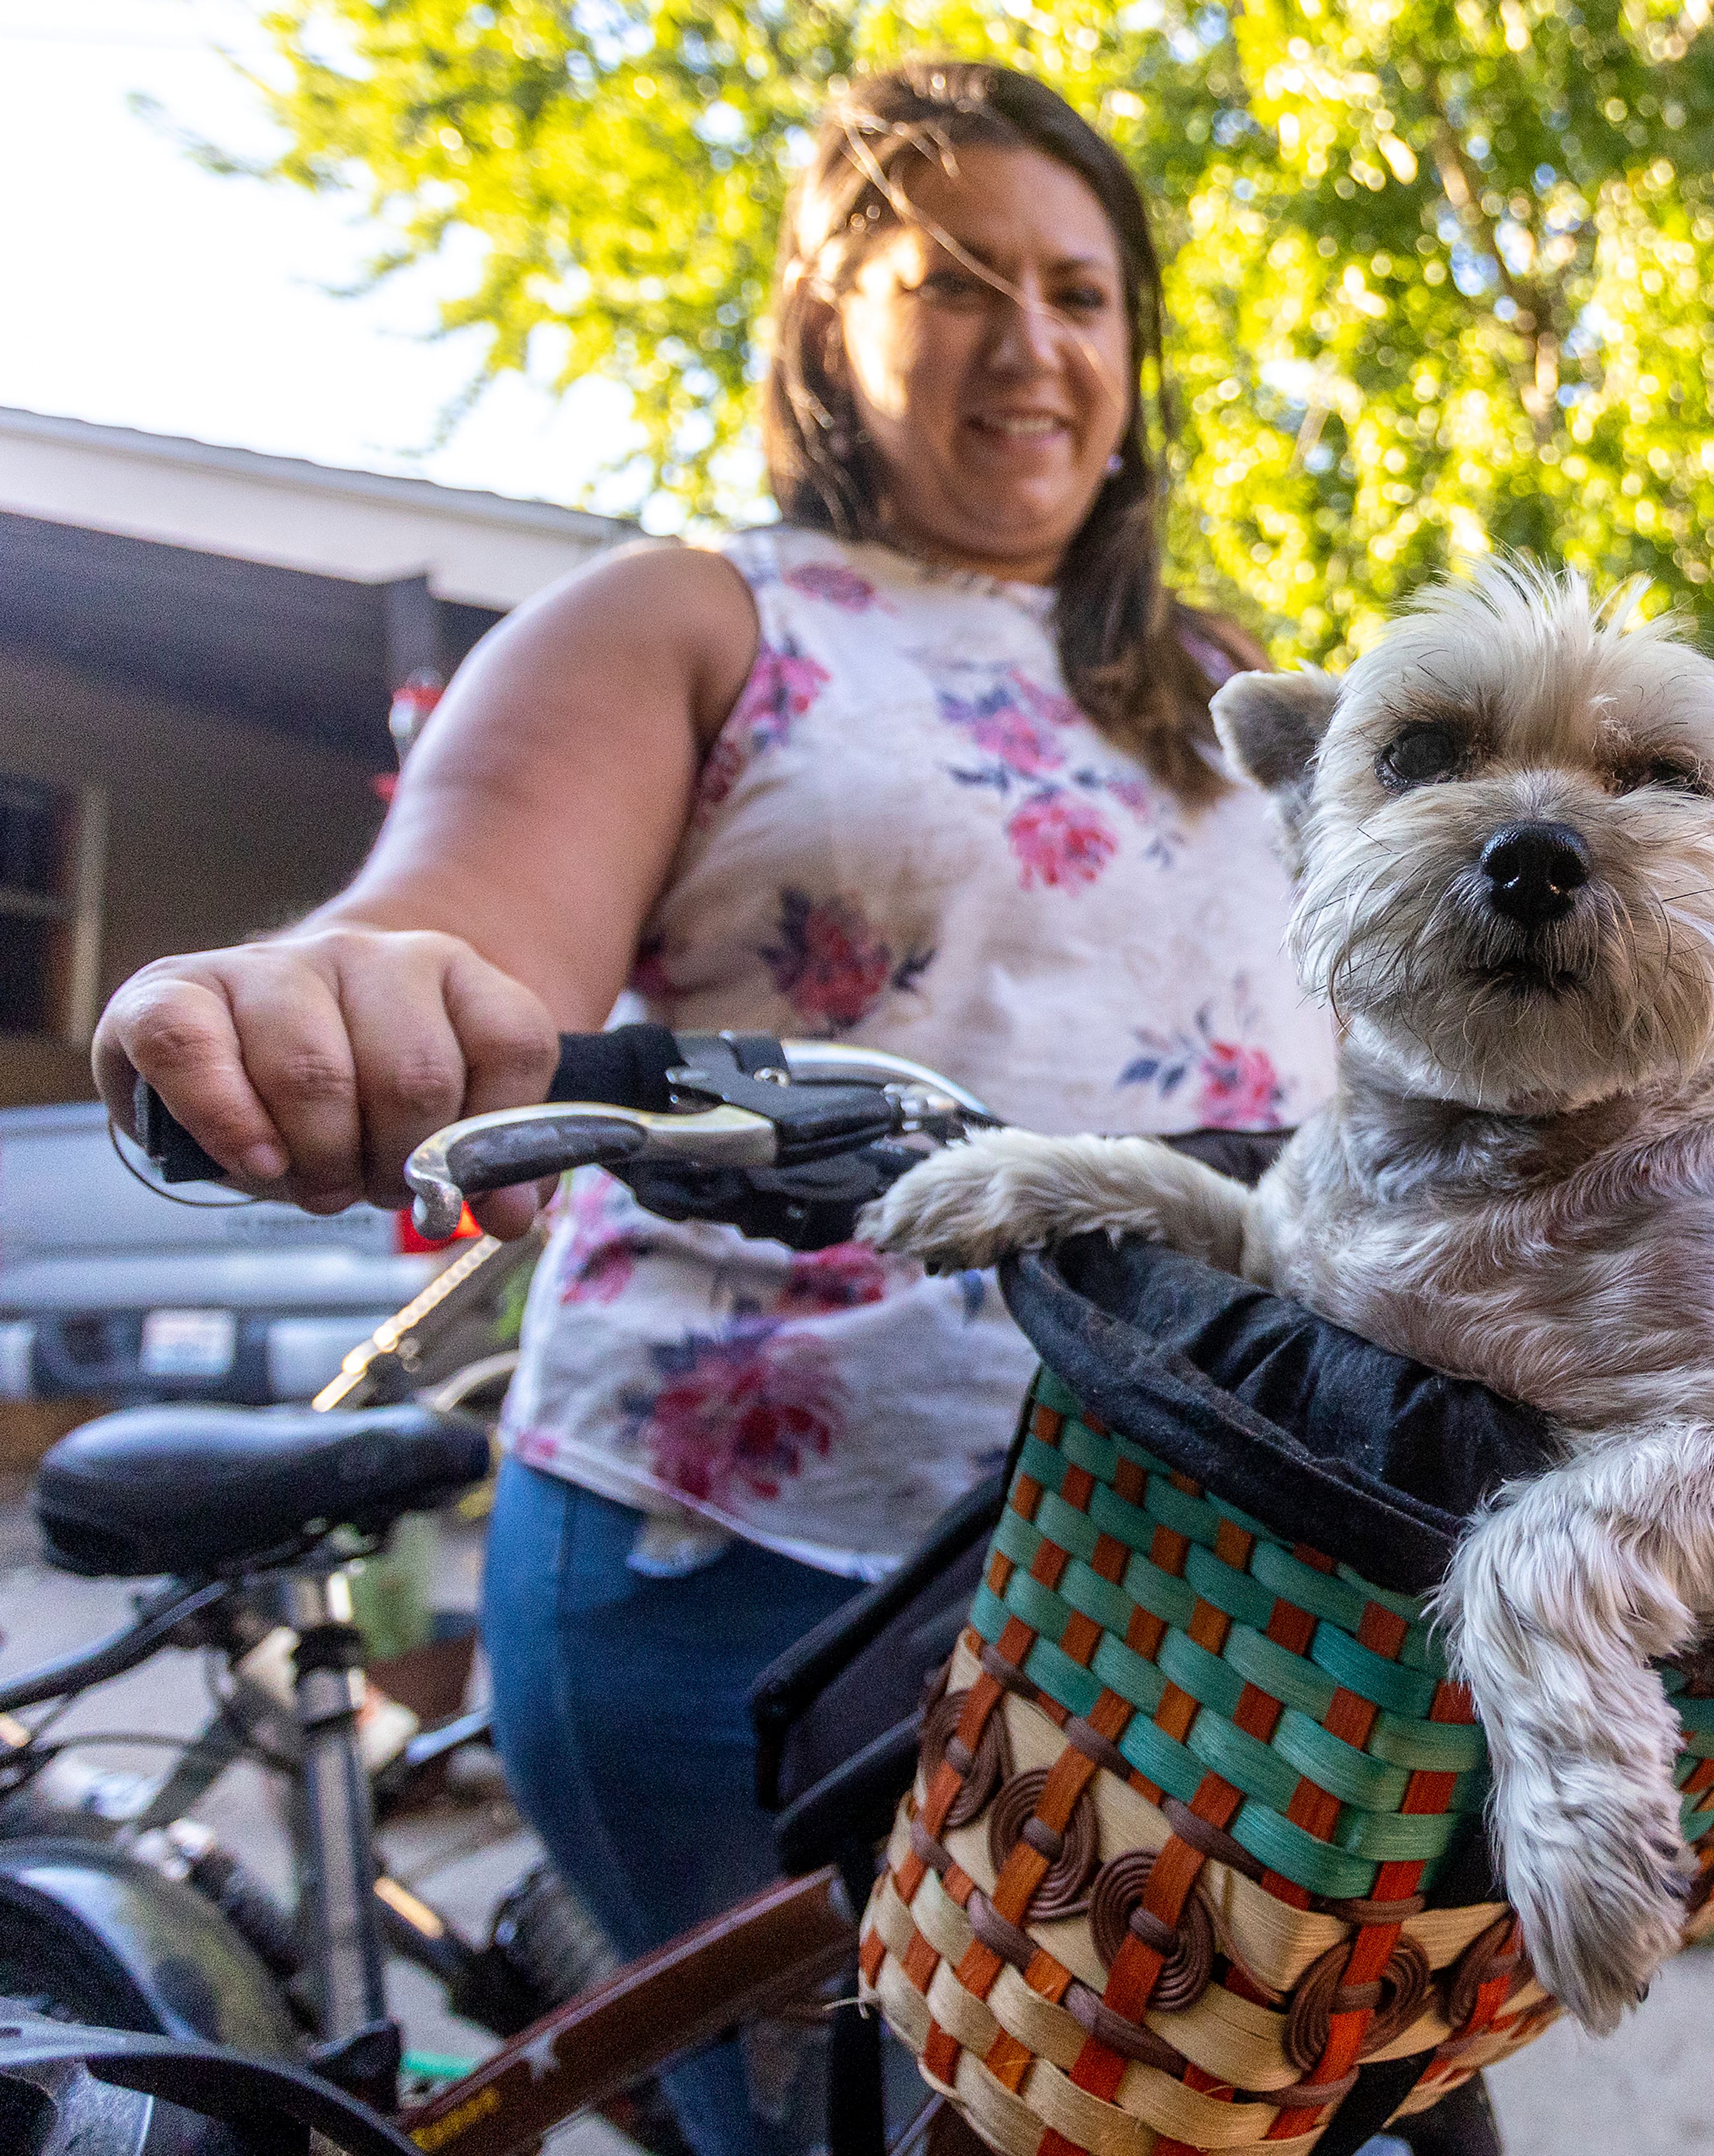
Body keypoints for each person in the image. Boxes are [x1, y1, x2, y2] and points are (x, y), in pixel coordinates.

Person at [95, 61, 1336, 2154]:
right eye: (957, 281)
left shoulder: (1221, 677)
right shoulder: (693, 616)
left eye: (1083, 292)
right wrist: (356, 988)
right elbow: (460, 918)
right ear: (828, 318)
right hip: (768, 1554)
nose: (1033, 342)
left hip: (1200, 1553)